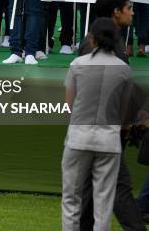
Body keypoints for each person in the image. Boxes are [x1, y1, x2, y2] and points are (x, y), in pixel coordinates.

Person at [75, 0, 148, 231]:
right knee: (120, 187)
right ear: (116, 12)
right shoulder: (96, 44)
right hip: (102, 130)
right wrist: (132, 118)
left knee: (90, 190)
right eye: (129, 8)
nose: (132, 12)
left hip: (101, 129)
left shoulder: (109, 40)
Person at [61, 17, 134, 230]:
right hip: (108, 139)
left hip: (78, 136)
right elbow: (123, 112)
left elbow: (69, 105)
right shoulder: (123, 69)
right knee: (104, 202)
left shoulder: (77, 64)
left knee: (71, 199)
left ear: (92, 39)